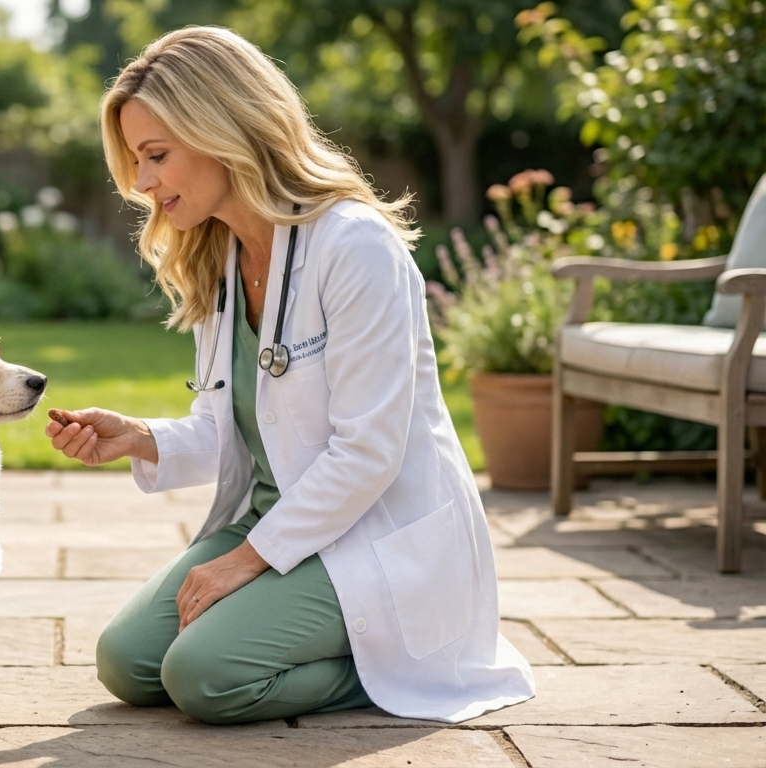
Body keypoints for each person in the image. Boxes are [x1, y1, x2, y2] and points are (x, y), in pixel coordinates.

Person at [44, 26, 534, 725]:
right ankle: (311, 641)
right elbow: (234, 431)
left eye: (156, 155)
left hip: (373, 537)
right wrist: (140, 438)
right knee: (127, 660)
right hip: (276, 523)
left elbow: (368, 452)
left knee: (202, 676)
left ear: (222, 130)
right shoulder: (218, 256)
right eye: (135, 160)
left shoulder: (354, 246)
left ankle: (392, 670)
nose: (143, 183)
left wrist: (244, 561)